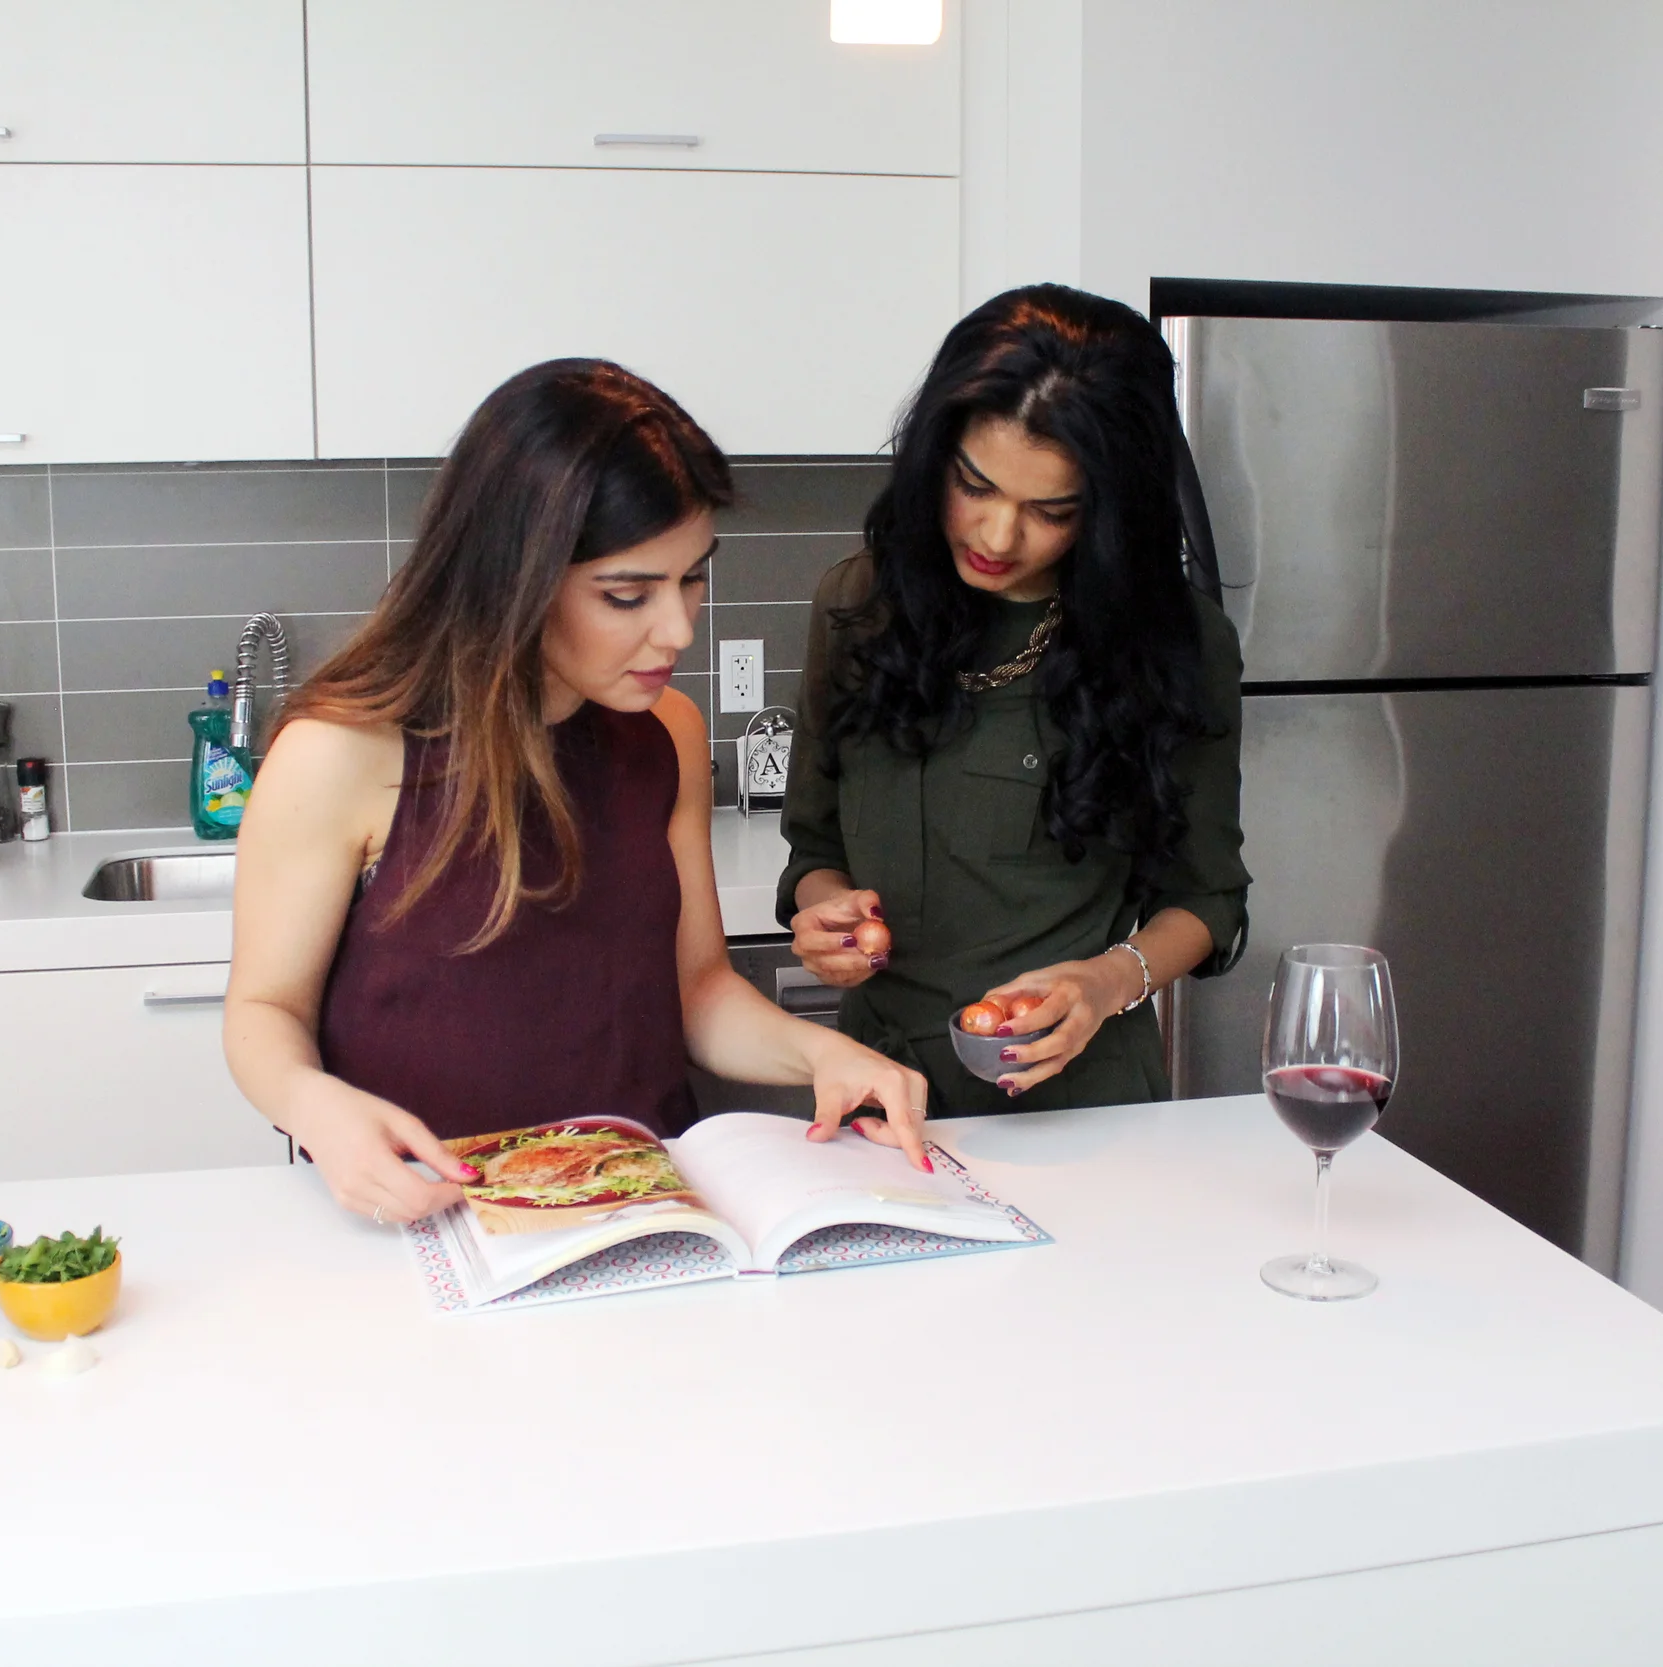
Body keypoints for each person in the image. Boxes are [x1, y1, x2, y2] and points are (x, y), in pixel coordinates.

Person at [225, 359, 931, 1225]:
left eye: (692, 578)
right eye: (628, 594)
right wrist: (315, 1107)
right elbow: (263, 1010)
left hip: (639, 1210)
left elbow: (700, 992)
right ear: (513, 576)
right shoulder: (339, 752)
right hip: (432, 1218)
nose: (677, 629)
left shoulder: (668, 732)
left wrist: (822, 1053)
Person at [780, 285, 1249, 1114]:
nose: (997, 536)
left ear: (1105, 511)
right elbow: (815, 848)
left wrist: (1107, 981)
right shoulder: (857, 607)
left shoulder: (1171, 642)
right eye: (975, 485)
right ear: (936, 455)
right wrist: (827, 917)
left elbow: (1208, 897)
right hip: (882, 1097)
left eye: (1050, 511)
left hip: (1078, 1104)